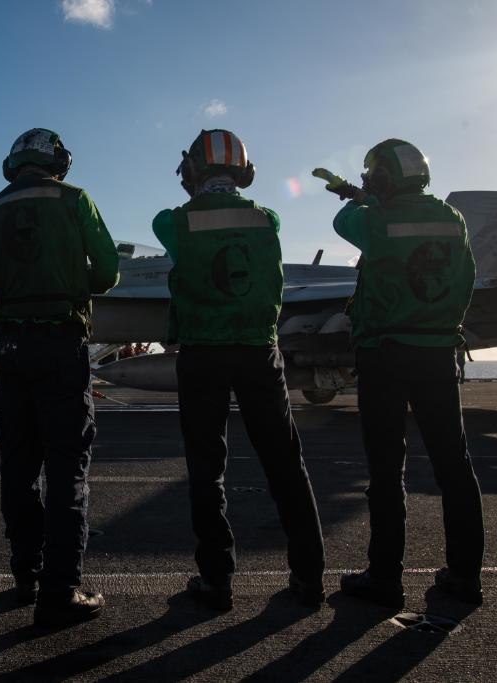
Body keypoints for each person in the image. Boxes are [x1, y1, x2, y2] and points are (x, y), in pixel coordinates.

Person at [152, 129, 326, 610]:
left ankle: (216, 580)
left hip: (203, 354)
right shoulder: (267, 218)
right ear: (244, 171)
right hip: (258, 352)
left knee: (207, 470)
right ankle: (309, 579)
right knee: (286, 465)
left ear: (193, 172)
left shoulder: (171, 221)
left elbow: (176, 234)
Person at [0, 128, 119, 627]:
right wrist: (72, 284)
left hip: (11, 351)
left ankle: (25, 575)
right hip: (61, 347)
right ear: (59, 161)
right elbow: (109, 270)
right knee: (67, 470)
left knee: (19, 467)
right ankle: (61, 591)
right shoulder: (75, 200)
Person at [323, 139, 483, 607]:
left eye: (373, 176)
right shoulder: (452, 221)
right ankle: (465, 575)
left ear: (384, 179)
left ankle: (386, 579)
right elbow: (466, 277)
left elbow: (342, 221)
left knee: (387, 469)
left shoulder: (376, 218)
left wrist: (360, 196)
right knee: (454, 464)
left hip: (385, 352)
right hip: (437, 351)